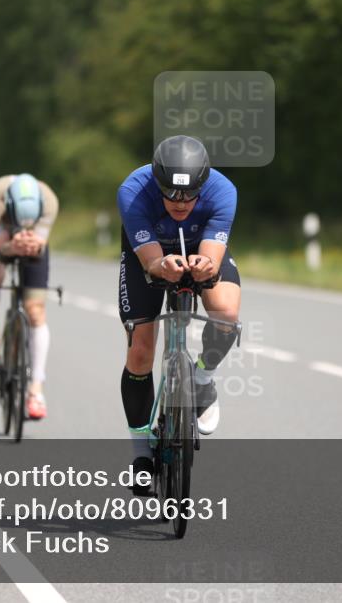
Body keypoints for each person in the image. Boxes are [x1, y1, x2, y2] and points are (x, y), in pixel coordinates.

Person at [116, 135, 241, 493]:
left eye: (189, 194)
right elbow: (151, 260)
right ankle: (141, 452)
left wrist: (205, 266)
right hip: (149, 251)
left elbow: (213, 257)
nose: (180, 202)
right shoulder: (134, 190)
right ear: (157, 182)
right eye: (170, 193)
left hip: (201, 244)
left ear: (204, 183)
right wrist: (159, 264)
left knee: (226, 314)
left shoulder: (223, 191)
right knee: (140, 348)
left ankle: (202, 382)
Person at [0, 173, 59, 420]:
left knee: (35, 310)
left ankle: (36, 389)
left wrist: (33, 243)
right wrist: (10, 246)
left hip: (32, 240)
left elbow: (40, 243)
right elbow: (1, 246)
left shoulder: (49, 201)